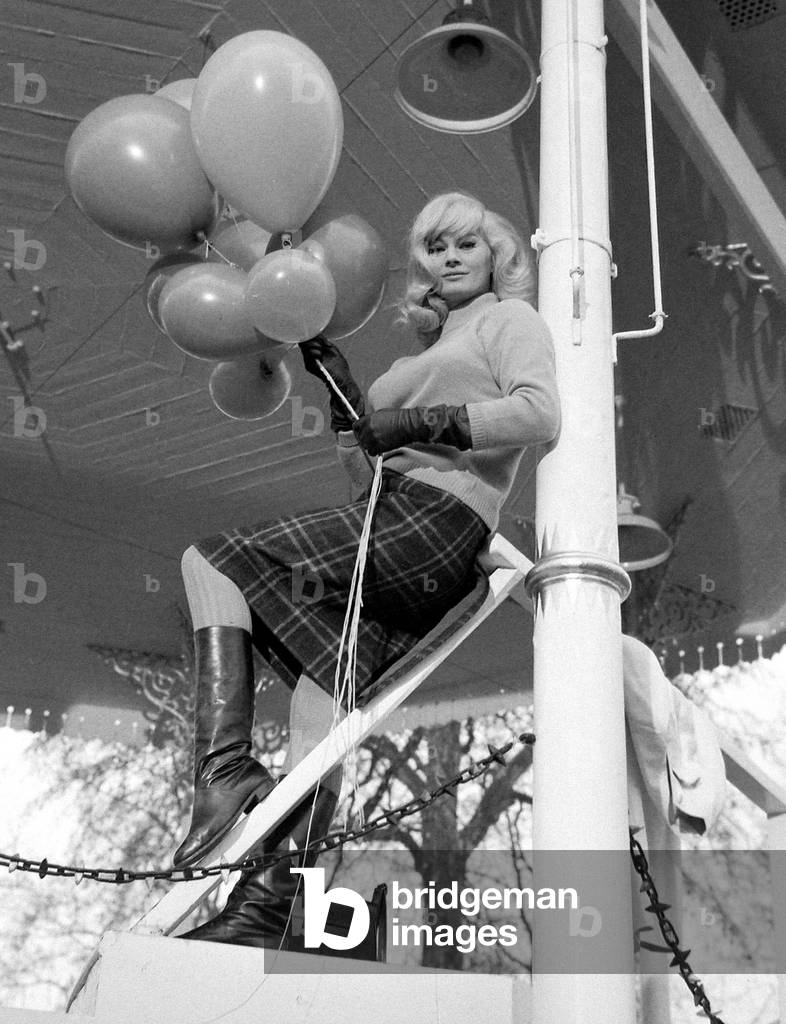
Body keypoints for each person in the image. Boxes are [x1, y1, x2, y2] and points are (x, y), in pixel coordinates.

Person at [175, 191, 561, 948]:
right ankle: (272, 902)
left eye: (468, 246)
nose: (451, 259)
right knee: (321, 705)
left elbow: (539, 413)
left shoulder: (510, 322)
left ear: (496, 258)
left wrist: (421, 422)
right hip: (392, 524)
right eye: (437, 248)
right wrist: (349, 407)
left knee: (212, 559)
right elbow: (370, 476)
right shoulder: (417, 356)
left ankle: (223, 771)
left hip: (436, 525)